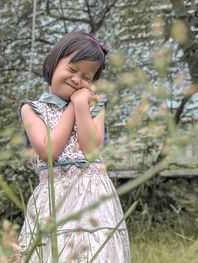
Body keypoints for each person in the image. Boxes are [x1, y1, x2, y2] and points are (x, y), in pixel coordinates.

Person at [17, 31, 130, 262]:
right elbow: (49, 152)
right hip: (54, 200)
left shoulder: (95, 107)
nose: (77, 80)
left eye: (86, 77)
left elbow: (90, 148)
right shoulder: (32, 109)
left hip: (94, 201)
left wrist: (82, 106)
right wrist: (73, 107)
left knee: (95, 253)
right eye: (72, 69)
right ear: (52, 63)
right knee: (53, 251)